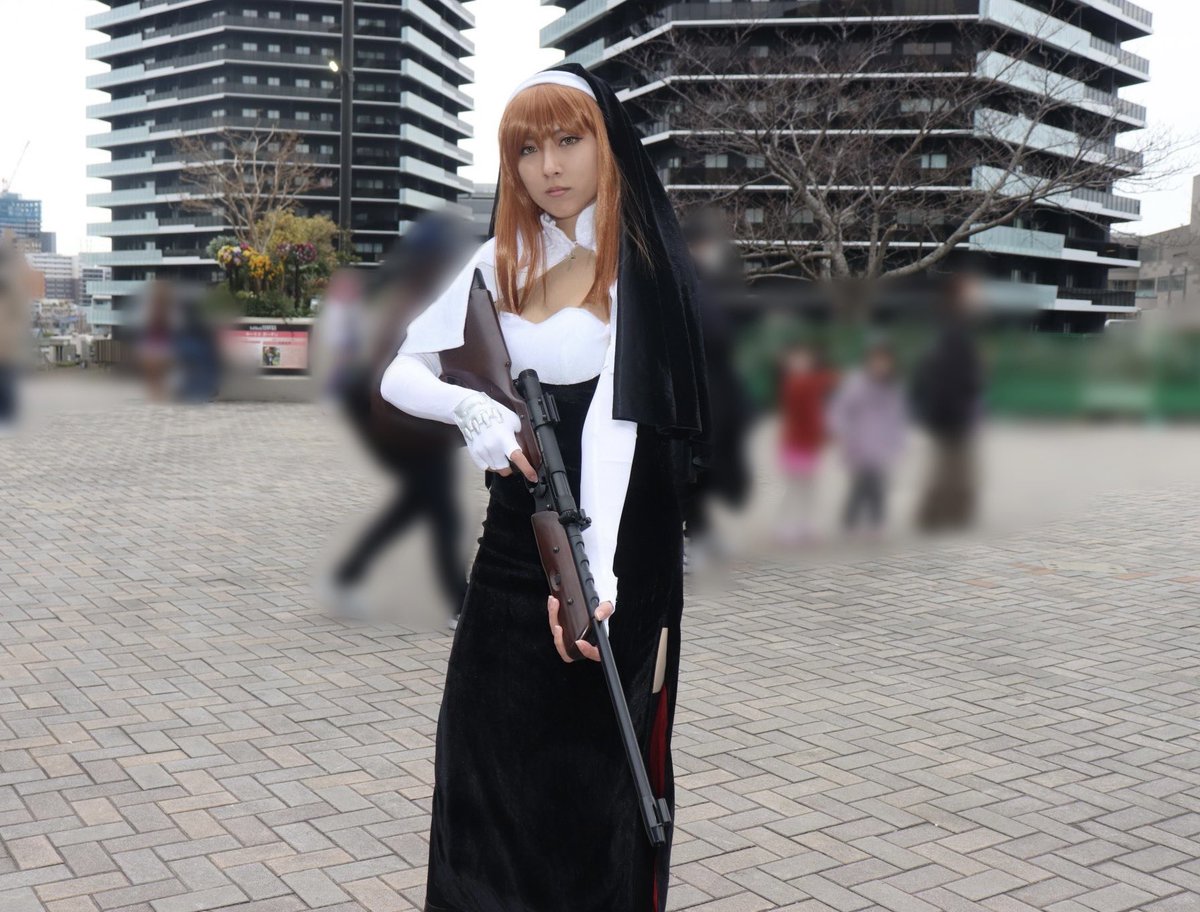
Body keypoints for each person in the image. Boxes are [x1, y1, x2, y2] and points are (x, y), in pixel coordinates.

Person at [379, 64, 710, 912]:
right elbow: (399, 373)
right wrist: (470, 410)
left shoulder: (638, 269)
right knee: (482, 767)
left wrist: (588, 579)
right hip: (509, 551)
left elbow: (616, 430)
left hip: (615, 554)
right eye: (527, 149)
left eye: (568, 140)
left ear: (607, 147)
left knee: (588, 791)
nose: (548, 166)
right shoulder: (499, 260)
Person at [324, 215, 471, 626]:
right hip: (393, 418)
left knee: (421, 503)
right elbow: (383, 372)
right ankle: (459, 605)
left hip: (404, 419)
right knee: (438, 507)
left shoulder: (420, 295)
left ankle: (346, 577)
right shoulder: (409, 300)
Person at [912, 274, 984, 532]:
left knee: (954, 467)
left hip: (953, 411)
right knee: (950, 467)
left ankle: (949, 514)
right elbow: (948, 376)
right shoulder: (953, 332)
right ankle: (935, 516)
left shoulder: (956, 329)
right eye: (972, 295)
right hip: (951, 414)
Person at [828, 339, 907, 535]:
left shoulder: (893, 387)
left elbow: (897, 417)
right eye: (876, 360)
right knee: (862, 484)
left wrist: (898, 443)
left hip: (881, 444)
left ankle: (874, 522)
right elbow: (840, 409)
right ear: (868, 361)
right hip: (858, 442)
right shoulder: (856, 383)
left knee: (877, 484)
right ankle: (853, 521)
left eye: (885, 361)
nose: (880, 365)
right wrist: (842, 431)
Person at [775, 341, 836, 543]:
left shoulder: (808, 382)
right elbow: (809, 414)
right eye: (796, 359)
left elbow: (826, 381)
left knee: (809, 486)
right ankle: (785, 525)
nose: (801, 363)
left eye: (804, 359)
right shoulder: (794, 384)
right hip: (795, 444)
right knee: (795, 487)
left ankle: (804, 524)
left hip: (809, 444)